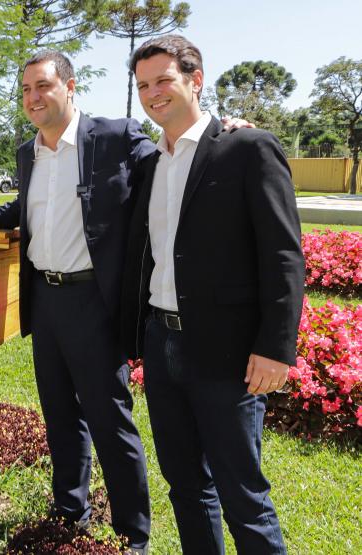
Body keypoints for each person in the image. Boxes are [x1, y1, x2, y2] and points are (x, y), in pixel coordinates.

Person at [0, 51, 153, 552]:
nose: (33, 97)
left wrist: (219, 131)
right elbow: (22, 206)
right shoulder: (28, 151)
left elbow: (170, 164)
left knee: (109, 418)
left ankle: (132, 536)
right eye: (27, 89)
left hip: (94, 302)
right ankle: (71, 511)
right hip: (45, 303)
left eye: (44, 86)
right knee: (59, 414)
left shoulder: (114, 137)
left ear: (70, 87)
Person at [121, 35, 303, 554]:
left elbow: (283, 254)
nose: (153, 93)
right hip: (162, 344)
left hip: (228, 353)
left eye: (163, 80)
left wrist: (276, 346)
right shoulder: (150, 164)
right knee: (186, 487)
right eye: (143, 86)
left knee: (242, 492)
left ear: (195, 80)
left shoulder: (247, 148)